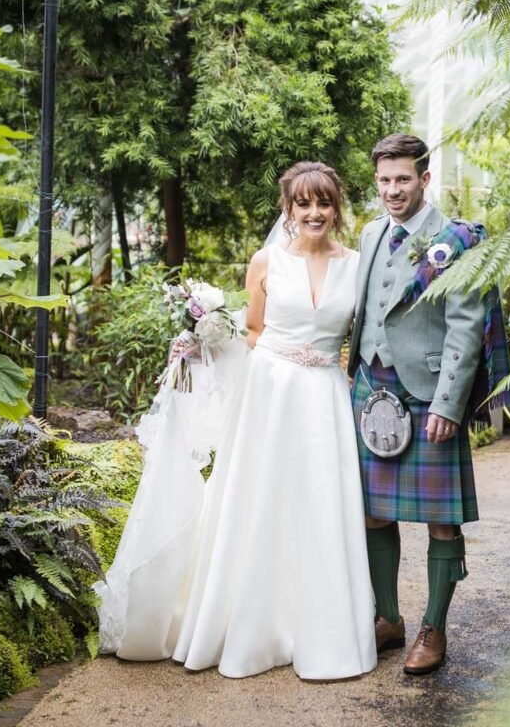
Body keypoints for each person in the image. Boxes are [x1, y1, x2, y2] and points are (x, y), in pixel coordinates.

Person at [95, 161, 376, 680]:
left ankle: (323, 629)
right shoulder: (266, 261)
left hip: (326, 398)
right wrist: (203, 348)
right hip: (269, 393)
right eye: (303, 203)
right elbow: (251, 334)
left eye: (324, 203)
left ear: (337, 207)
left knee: (319, 505)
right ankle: (250, 627)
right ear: (288, 209)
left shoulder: (359, 264)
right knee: (259, 502)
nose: (314, 212)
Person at [349, 133, 489, 675]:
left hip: (427, 391)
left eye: (402, 179)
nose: (392, 190)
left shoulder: (454, 240)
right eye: (384, 180)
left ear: (424, 179)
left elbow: (465, 327)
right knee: (371, 513)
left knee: (440, 519)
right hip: (370, 387)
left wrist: (449, 405)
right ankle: (389, 618)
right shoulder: (368, 236)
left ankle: (433, 628)